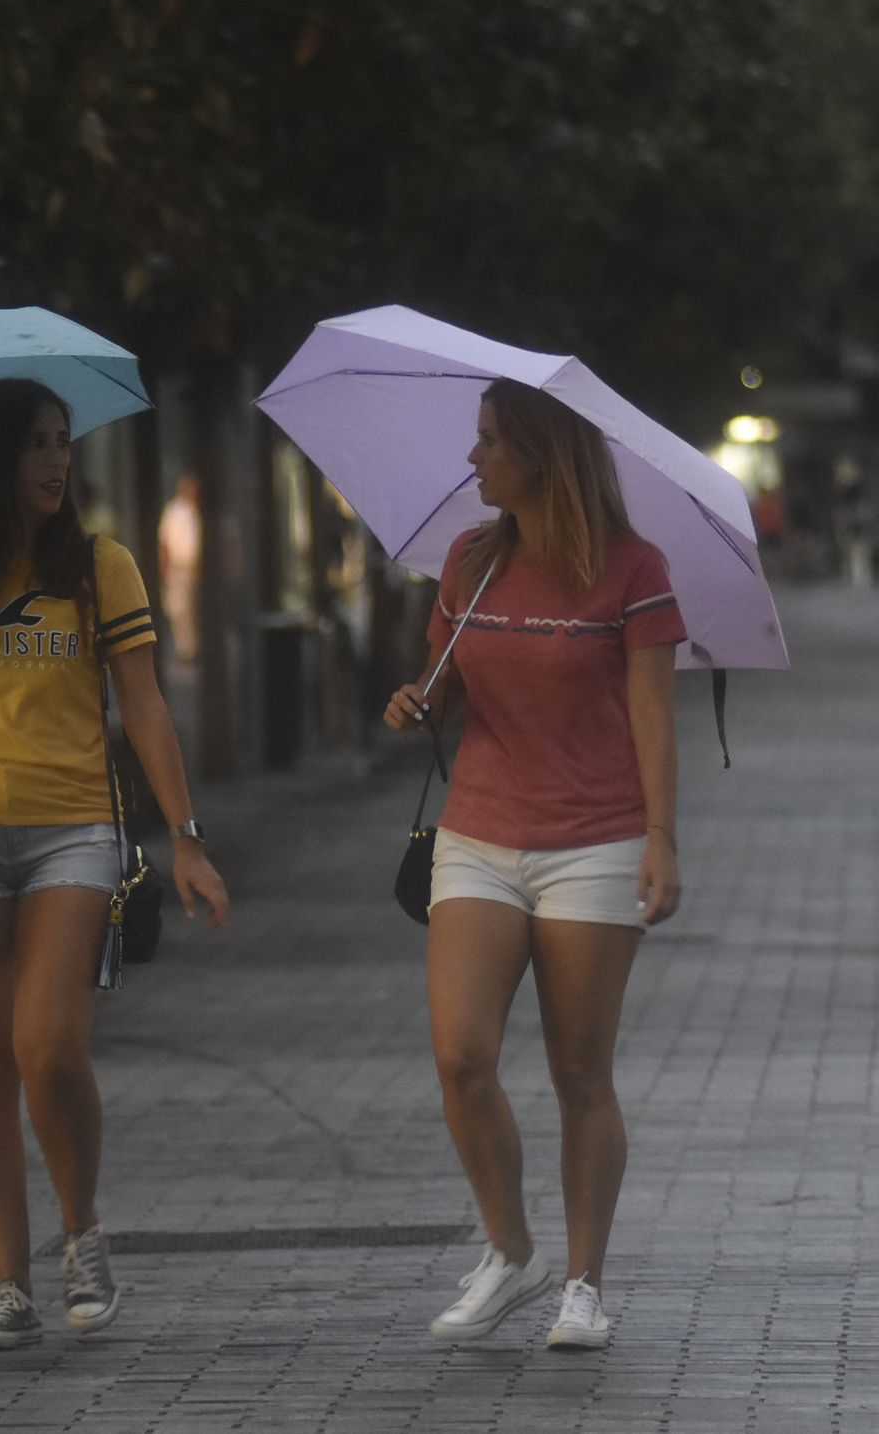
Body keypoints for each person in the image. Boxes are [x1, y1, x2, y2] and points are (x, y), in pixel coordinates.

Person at [0, 378, 229, 1350]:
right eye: (35, 444)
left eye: (62, 442)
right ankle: (8, 1285)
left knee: (45, 1043)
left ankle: (82, 1231)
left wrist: (187, 835)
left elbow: (145, 705)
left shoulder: (99, 566)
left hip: (74, 828)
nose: (54, 461)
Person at [384, 378, 685, 1353]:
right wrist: (414, 706)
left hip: (595, 838)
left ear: (541, 455)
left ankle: (583, 1283)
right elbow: (442, 688)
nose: (473, 459)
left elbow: (650, 713)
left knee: (578, 1068)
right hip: (479, 830)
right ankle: (509, 1249)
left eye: (488, 443)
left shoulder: (632, 569)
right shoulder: (470, 563)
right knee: (461, 1053)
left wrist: (661, 837)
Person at [156, 472, 201, 662]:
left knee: (196, 608)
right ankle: (187, 649)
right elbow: (164, 543)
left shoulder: (199, 511)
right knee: (179, 609)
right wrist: (164, 570)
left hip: (198, 568)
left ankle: (196, 647)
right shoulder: (174, 511)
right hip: (179, 568)